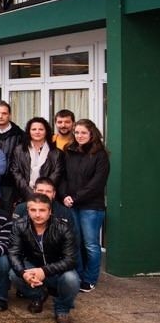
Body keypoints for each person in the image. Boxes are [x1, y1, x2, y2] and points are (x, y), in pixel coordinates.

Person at [8, 193, 79, 323]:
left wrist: (44, 270)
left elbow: (71, 259)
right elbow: (13, 253)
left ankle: (62, 309)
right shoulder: (20, 226)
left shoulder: (63, 228)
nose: (37, 214)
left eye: (42, 210)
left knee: (72, 279)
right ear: (27, 211)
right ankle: (38, 295)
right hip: (33, 266)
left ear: (50, 212)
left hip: (57, 270)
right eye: (33, 210)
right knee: (13, 273)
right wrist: (24, 274)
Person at [61, 118, 110, 293]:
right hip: (71, 204)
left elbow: (97, 183)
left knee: (90, 244)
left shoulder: (100, 155)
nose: (79, 135)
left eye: (84, 132)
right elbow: (63, 177)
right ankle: (78, 275)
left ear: (92, 134)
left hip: (91, 207)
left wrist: (75, 197)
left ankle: (89, 279)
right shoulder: (69, 151)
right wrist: (65, 195)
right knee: (75, 242)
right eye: (77, 132)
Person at [10, 117, 64, 204]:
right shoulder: (19, 150)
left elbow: (57, 173)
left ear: (46, 131)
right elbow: (15, 172)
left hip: (48, 197)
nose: (37, 132)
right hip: (24, 195)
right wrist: (30, 193)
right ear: (29, 131)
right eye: (34, 129)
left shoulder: (56, 152)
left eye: (41, 129)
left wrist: (43, 191)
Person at [0, 101, 23, 207]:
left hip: (10, 183)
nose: (0, 116)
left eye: (4, 113)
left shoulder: (20, 135)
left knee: (6, 214)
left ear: (10, 115)